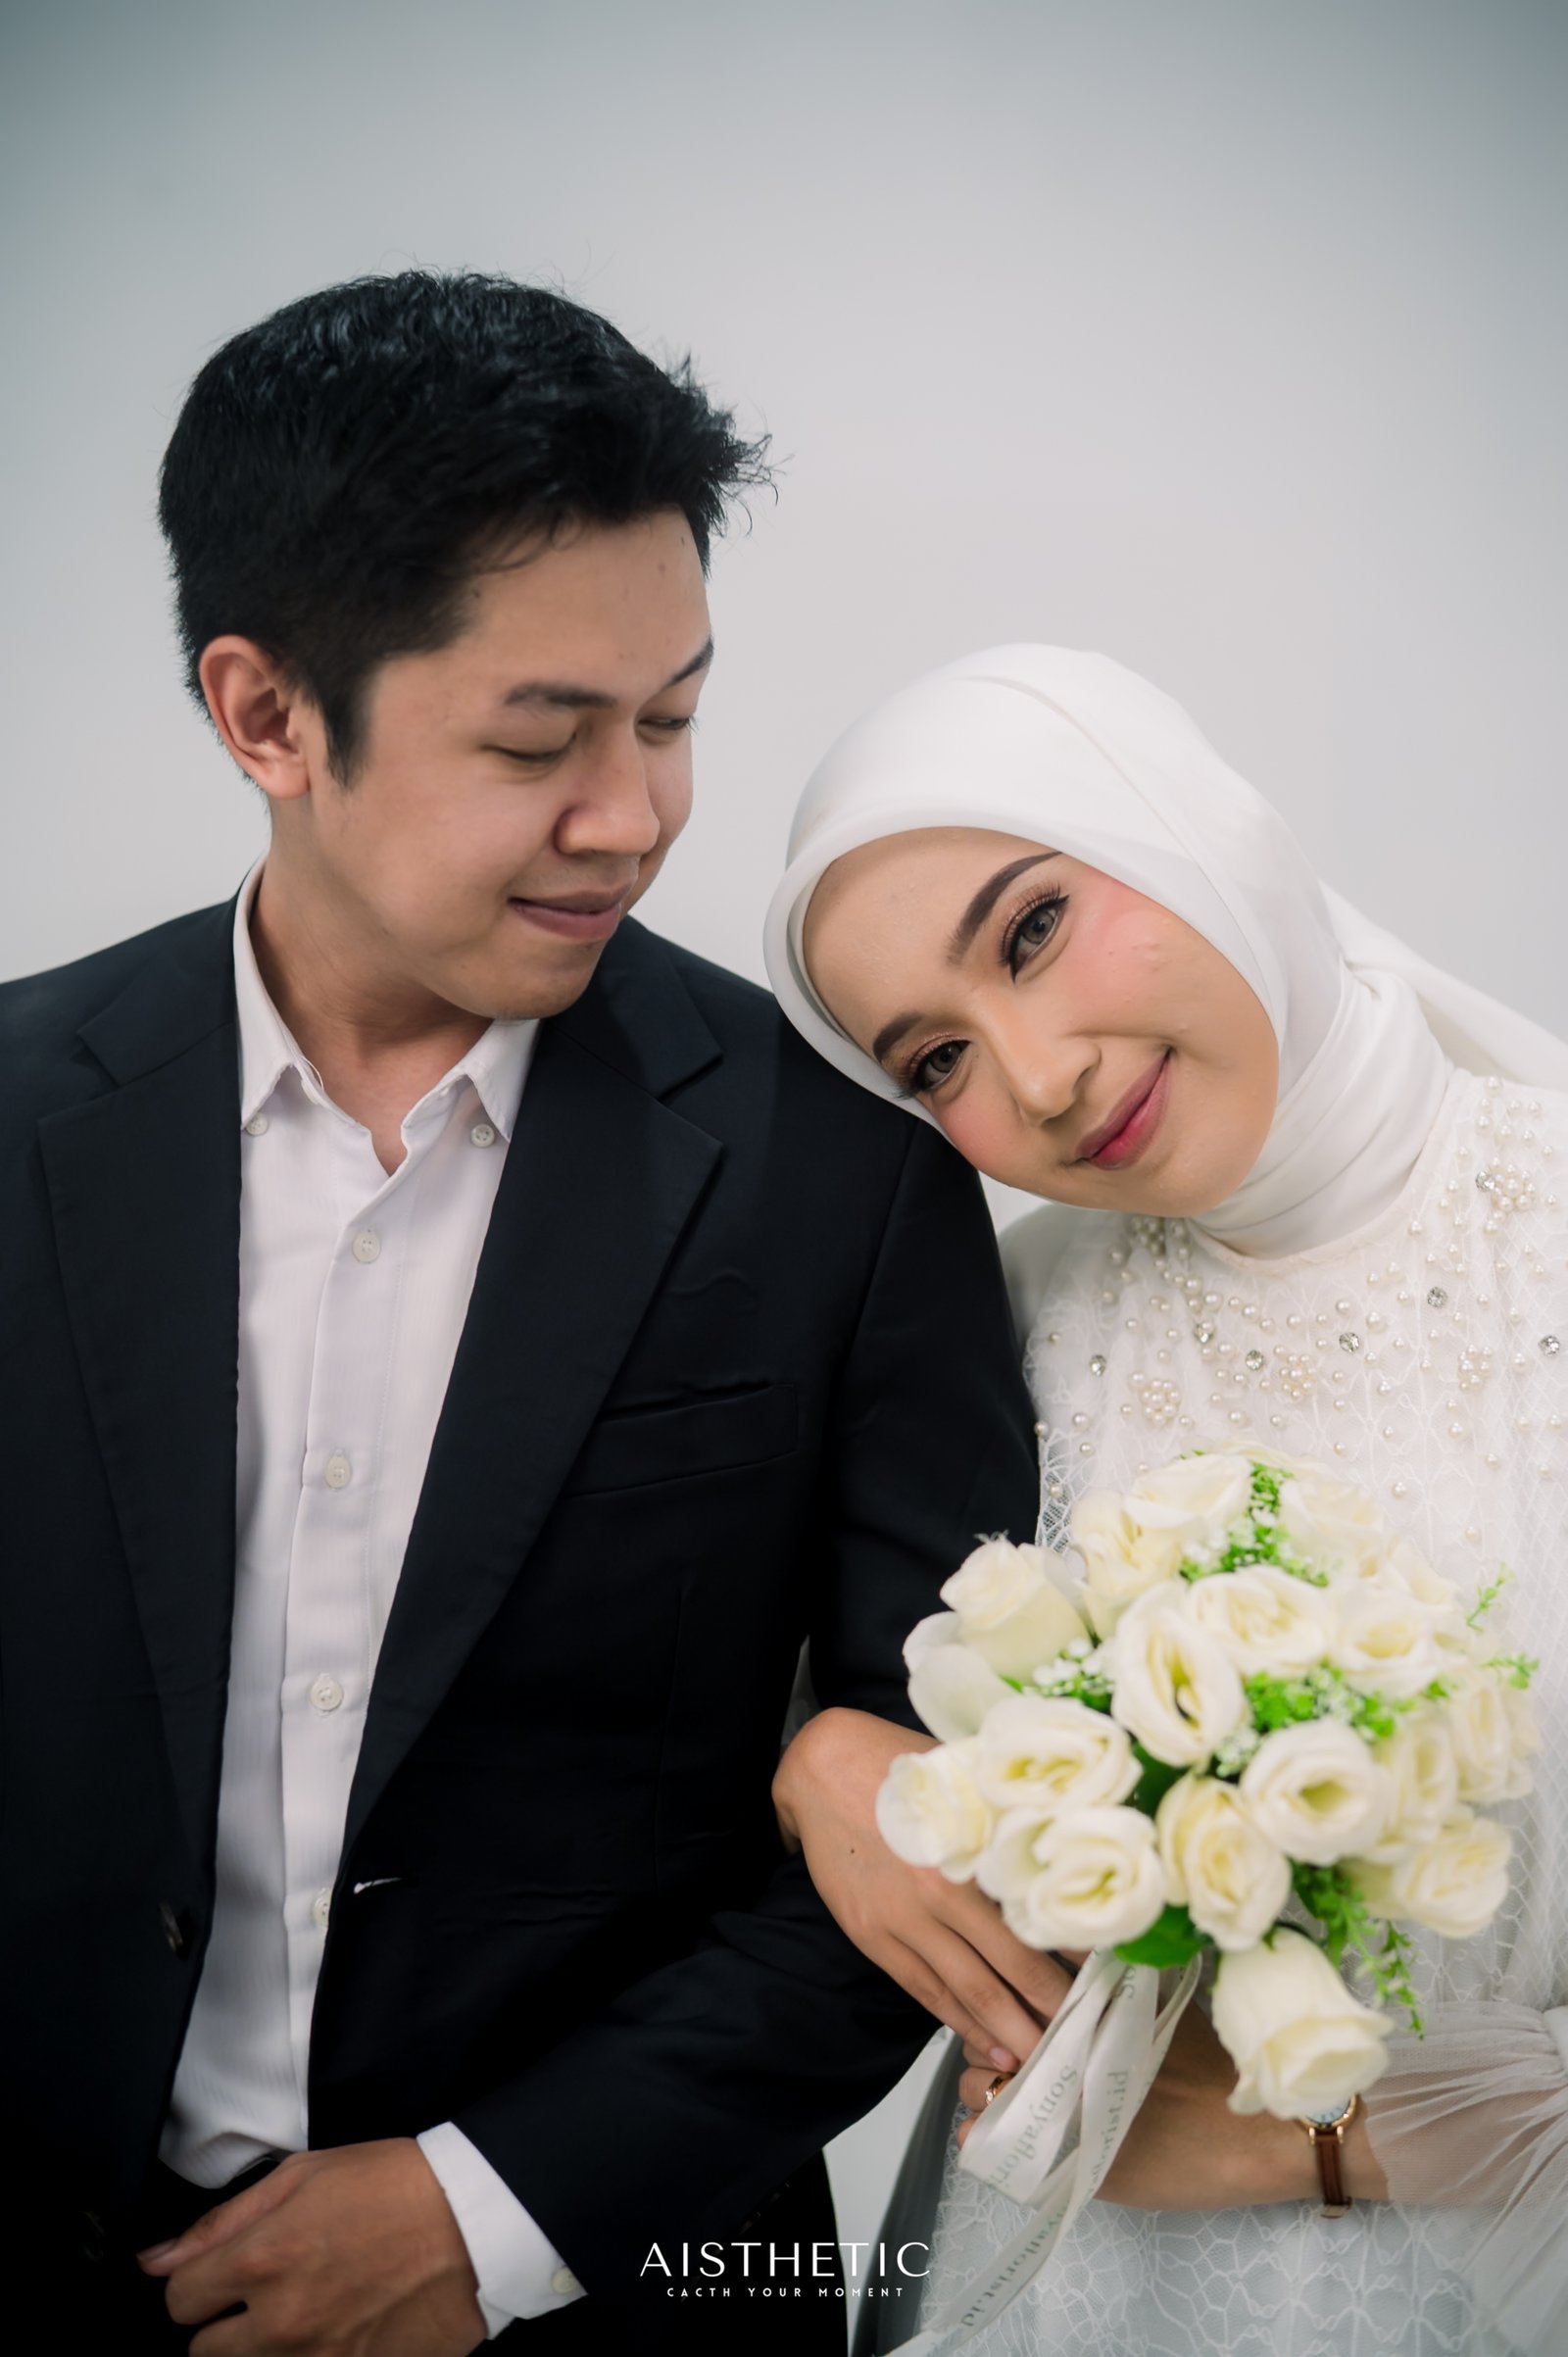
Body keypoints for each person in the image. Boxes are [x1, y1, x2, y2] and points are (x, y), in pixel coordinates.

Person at [0, 274, 1042, 2355]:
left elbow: (968, 1801)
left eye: (670, 718)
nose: (634, 815)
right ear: (266, 717)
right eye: (539, 741)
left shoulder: (845, 1174)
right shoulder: (21, 1113)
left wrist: (494, 2215)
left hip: (627, 2292)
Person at [764, 644, 1568, 2357]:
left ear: (1189, 822)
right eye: (936, 1059)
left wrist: (1321, 2135)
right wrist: (818, 1753)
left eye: (1034, 928)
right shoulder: (1015, 1318)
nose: (1040, 1075)